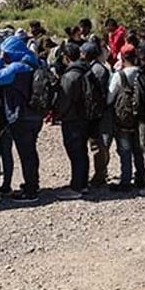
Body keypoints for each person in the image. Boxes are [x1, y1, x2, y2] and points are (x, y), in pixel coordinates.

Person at [0, 36, 42, 203]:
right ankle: (33, 183)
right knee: (31, 152)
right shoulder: (34, 62)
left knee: (26, 154)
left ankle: (30, 192)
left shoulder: (16, 69)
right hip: (36, 115)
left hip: (20, 117)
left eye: (6, 52)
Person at [107, 43, 145, 191]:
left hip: (122, 118)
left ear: (122, 58)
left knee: (124, 150)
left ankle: (125, 181)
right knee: (138, 149)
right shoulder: (141, 73)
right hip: (140, 117)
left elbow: (110, 98)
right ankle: (141, 177)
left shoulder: (120, 75)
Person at [55, 43, 90, 200]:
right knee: (82, 151)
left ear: (66, 57)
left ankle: (76, 187)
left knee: (75, 152)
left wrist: (58, 114)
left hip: (72, 118)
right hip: (85, 117)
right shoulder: (86, 70)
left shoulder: (69, 76)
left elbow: (65, 100)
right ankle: (83, 183)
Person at [82, 41, 111, 188]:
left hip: (97, 114)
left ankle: (100, 175)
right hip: (98, 112)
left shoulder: (96, 70)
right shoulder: (99, 68)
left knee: (98, 146)